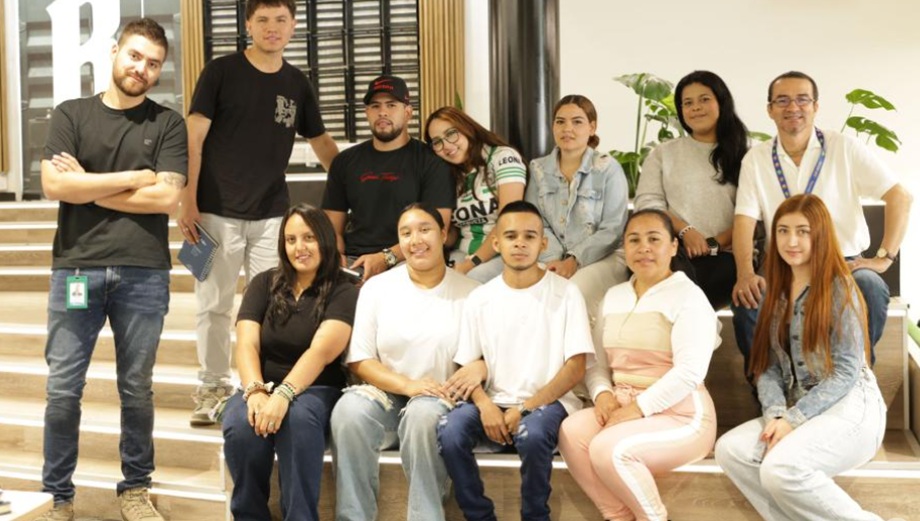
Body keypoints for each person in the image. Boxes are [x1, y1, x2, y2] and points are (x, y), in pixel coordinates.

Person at [38, 18, 187, 521]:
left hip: (144, 273)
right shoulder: (71, 114)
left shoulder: (167, 124)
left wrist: (89, 186)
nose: (142, 68)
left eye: (153, 63)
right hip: (76, 269)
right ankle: (58, 497)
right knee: (63, 390)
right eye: (135, 56)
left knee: (136, 389)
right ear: (114, 51)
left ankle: (135, 489)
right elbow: (55, 186)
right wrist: (132, 178)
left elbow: (166, 198)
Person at [179, 0, 340, 426]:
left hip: (272, 215)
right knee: (213, 304)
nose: (272, 28)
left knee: (275, 303)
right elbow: (193, 139)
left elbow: (322, 143)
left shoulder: (296, 83)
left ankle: (267, 385)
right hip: (214, 211)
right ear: (248, 24)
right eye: (263, 20)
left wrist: (351, 186)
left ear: (293, 26)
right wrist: (187, 199)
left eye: (281, 20)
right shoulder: (220, 72)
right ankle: (213, 386)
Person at [715, 194, 886, 521]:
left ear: (820, 234)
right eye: (783, 231)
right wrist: (777, 414)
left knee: (781, 467)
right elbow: (767, 368)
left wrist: (793, 420)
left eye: (802, 231)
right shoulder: (773, 291)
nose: (791, 241)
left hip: (850, 406)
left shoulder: (840, 287)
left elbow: (846, 371)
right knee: (731, 451)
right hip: (798, 406)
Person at [731, 71, 912, 368]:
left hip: (843, 263)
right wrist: (745, 273)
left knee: (870, 286)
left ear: (815, 106)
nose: (793, 107)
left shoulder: (844, 147)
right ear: (770, 109)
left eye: (802, 99)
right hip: (783, 265)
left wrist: (884, 258)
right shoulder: (756, 159)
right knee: (748, 299)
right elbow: (744, 220)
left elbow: (899, 196)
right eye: (782, 100)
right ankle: (767, 386)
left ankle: (856, 376)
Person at [557, 208, 720, 521]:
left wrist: (636, 409)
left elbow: (689, 372)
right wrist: (603, 394)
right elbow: (597, 362)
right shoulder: (614, 296)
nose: (643, 247)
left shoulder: (689, 297)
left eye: (654, 239)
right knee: (571, 431)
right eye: (634, 240)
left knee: (609, 449)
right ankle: (618, 516)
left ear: (673, 247)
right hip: (622, 405)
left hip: (682, 415)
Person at [438, 200, 594, 521]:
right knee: (449, 430)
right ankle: (480, 516)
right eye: (510, 236)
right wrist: (485, 406)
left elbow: (576, 367)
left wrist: (524, 408)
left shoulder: (567, 293)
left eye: (529, 236)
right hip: (495, 400)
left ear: (543, 244)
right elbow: (467, 365)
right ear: (496, 243)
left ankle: (535, 516)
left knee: (532, 434)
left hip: (547, 403)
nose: (520, 243)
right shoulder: (480, 297)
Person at [330, 203, 480, 521]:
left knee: (423, 415)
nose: (416, 240)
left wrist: (476, 369)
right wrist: (408, 386)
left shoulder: (472, 293)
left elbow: (483, 359)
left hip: (441, 398)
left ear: (443, 234)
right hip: (389, 394)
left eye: (425, 230)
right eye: (406, 233)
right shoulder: (377, 288)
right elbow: (360, 360)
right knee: (348, 412)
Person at [221, 204, 357, 521]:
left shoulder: (344, 289)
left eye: (309, 238)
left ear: (325, 239)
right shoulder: (263, 283)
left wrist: (284, 394)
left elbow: (321, 352)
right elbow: (247, 343)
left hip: (317, 387)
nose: (299, 247)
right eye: (291, 239)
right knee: (241, 423)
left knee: (298, 421)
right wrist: (256, 391)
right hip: (263, 383)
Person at [322, 75, 455, 284]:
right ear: (367, 113)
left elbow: (437, 229)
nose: (382, 112)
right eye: (375, 106)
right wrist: (336, 259)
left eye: (391, 105)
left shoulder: (431, 162)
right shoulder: (345, 162)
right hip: (354, 261)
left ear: (408, 112)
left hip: (409, 258)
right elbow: (332, 228)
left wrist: (386, 258)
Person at [635, 70, 750, 310]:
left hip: (726, 257)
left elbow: (752, 216)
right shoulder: (663, 154)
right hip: (671, 252)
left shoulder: (746, 156)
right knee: (664, 281)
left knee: (680, 295)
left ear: (722, 103)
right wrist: (686, 232)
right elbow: (648, 206)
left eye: (704, 99)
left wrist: (713, 244)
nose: (695, 107)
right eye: (687, 103)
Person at [525, 95, 629, 320]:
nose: (567, 129)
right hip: (551, 257)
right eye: (560, 121)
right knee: (529, 291)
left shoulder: (608, 168)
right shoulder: (538, 168)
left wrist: (574, 259)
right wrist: (555, 260)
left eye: (577, 122)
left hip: (604, 257)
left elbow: (613, 229)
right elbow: (535, 222)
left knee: (574, 293)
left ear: (592, 128)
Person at [424, 106, 527, 283]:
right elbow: (454, 233)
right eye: (437, 142)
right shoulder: (449, 173)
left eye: (451, 134)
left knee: (467, 281)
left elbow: (509, 221)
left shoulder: (503, 157)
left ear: (467, 128)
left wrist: (471, 263)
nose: (446, 146)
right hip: (461, 252)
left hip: (502, 253)